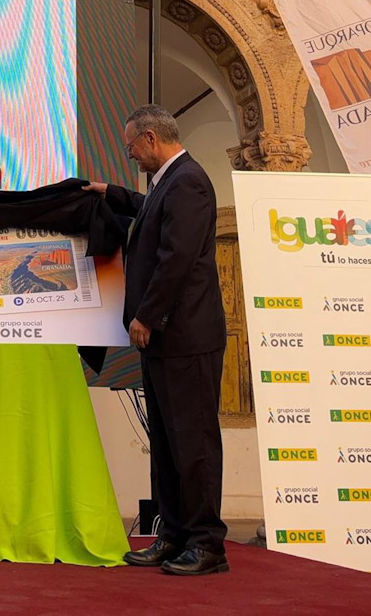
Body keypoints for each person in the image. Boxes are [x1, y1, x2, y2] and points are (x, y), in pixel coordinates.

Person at [84, 104, 228, 576]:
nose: (131, 155)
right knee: (166, 443)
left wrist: (147, 315)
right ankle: (173, 537)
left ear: (150, 138)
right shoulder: (169, 181)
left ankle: (206, 544)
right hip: (166, 341)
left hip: (184, 335)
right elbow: (150, 213)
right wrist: (111, 193)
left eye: (131, 147)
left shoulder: (188, 181)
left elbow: (176, 257)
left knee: (193, 443)